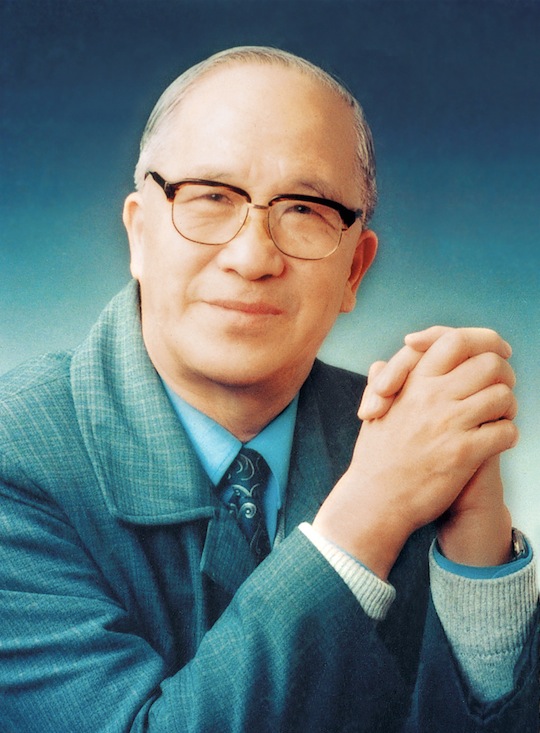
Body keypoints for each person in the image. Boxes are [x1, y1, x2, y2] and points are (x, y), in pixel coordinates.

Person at [0, 46, 538, 732]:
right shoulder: (16, 456)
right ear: (138, 233)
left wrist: (476, 547)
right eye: (210, 197)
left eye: (305, 209)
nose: (253, 257)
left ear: (355, 270)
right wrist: (369, 513)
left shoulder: (403, 439)